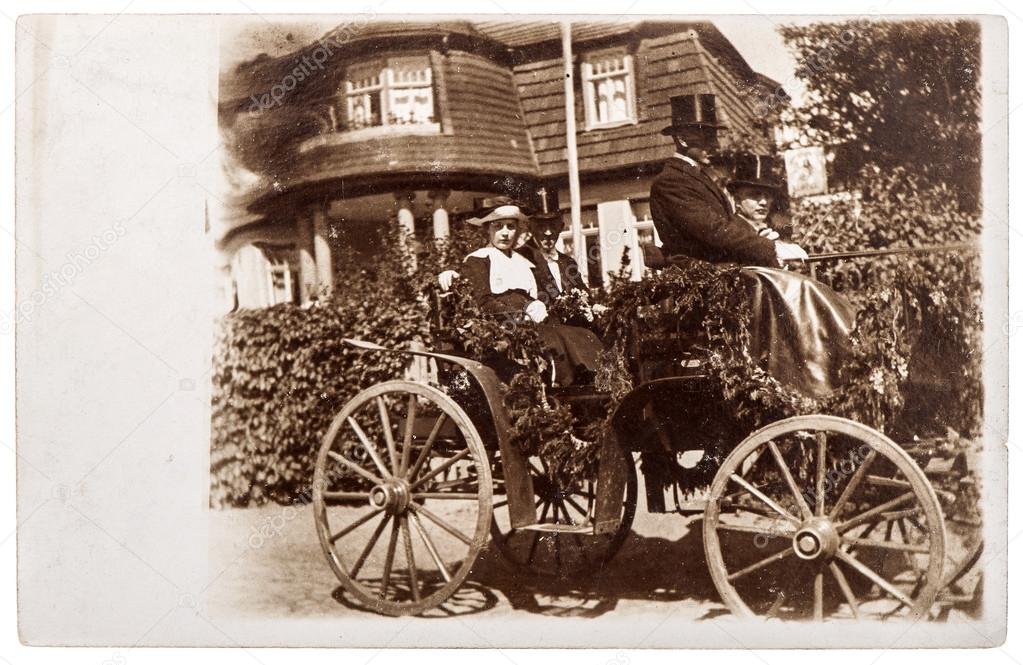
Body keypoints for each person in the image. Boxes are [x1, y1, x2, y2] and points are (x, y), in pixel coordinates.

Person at [442, 199, 602, 386]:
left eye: (510, 227)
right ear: (487, 229)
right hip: (504, 326)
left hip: (531, 323)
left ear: (517, 230)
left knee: (578, 333)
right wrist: (525, 307)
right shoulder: (479, 260)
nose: (505, 233)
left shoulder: (523, 261)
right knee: (556, 336)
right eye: (498, 227)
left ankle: (589, 378)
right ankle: (563, 383)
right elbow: (483, 302)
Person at [649, 94, 808, 267]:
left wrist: (759, 235)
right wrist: (771, 248)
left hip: (719, 272)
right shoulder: (671, 182)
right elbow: (712, 229)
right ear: (682, 139)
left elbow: (726, 222)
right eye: (707, 137)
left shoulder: (696, 176)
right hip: (699, 278)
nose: (716, 145)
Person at [515, 211, 587, 307]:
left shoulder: (568, 261)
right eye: (541, 226)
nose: (548, 233)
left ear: (561, 227)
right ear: (530, 228)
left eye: (553, 226)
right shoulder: (519, 258)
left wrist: (593, 305)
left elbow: (582, 291)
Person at [727, 153, 787, 242]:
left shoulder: (771, 229)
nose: (764, 202)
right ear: (737, 200)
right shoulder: (731, 232)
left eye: (767, 196)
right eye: (754, 195)